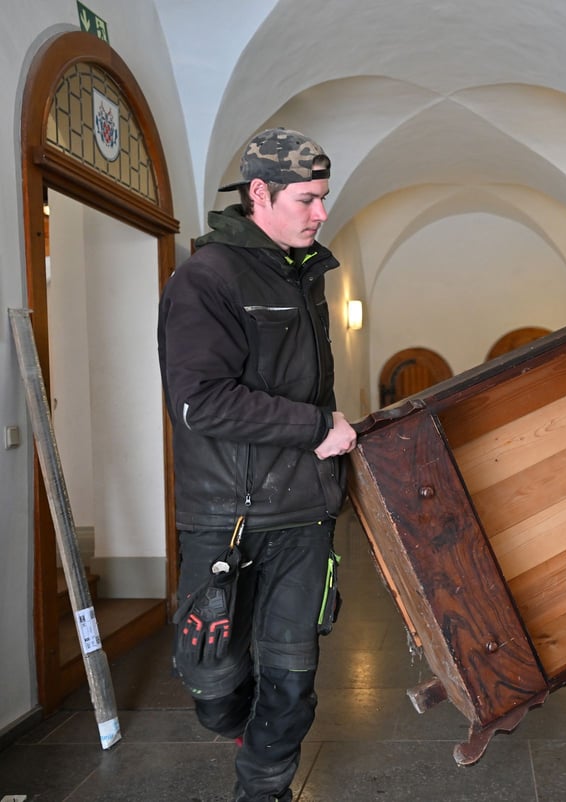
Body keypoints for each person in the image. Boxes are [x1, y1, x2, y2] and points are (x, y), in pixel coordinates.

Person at [157, 127, 357, 801]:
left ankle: (262, 790)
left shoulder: (305, 276)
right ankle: (240, 721)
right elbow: (200, 403)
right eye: (308, 198)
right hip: (228, 523)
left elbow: (310, 390)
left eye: (323, 198)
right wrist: (314, 429)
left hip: (303, 519)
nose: (321, 213)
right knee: (214, 687)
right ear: (260, 194)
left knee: (292, 680)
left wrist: (332, 455)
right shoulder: (206, 278)